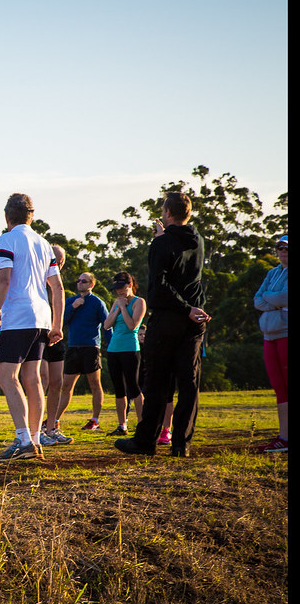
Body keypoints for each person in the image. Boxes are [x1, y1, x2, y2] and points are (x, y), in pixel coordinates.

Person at [115, 192, 211, 458]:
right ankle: (182, 443)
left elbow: (160, 287)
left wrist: (159, 242)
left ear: (168, 213)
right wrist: (192, 309)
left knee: (156, 380)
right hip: (194, 319)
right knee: (188, 381)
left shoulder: (161, 243)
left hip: (169, 318)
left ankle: (146, 441)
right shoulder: (198, 240)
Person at [0, 193, 64, 462]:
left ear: (7, 217)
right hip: (42, 317)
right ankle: (33, 438)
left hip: (18, 317)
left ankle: (23, 439)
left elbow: (4, 279)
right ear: (32, 215)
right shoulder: (44, 243)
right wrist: (57, 325)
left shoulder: (6, 240)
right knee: (32, 379)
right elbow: (58, 288)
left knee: (6, 377)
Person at [55, 272, 110, 432]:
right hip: (73, 348)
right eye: (78, 280)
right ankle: (55, 420)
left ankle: (95, 420)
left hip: (91, 348)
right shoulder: (71, 301)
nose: (80, 283)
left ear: (91, 284)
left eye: (84, 281)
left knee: (95, 384)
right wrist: (73, 307)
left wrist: (111, 345)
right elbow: (60, 322)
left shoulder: (97, 303)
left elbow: (107, 325)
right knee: (66, 386)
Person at [254, 234, 288, 453]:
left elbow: (284, 297)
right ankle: (283, 436)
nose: (283, 251)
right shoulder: (272, 273)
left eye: (287, 248)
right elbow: (258, 300)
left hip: (286, 333)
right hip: (269, 335)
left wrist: (271, 297)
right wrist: (274, 299)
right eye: (280, 248)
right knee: (279, 387)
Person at [102, 272, 146, 436]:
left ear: (129, 285)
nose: (119, 291)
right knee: (119, 390)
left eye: (121, 287)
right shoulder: (116, 302)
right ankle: (122, 425)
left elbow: (132, 326)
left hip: (130, 349)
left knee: (133, 388)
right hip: (114, 349)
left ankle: (142, 424)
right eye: (116, 289)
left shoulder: (139, 302)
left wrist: (122, 307)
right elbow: (107, 325)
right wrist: (117, 307)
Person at [40, 245, 72, 445]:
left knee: (56, 383)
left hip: (56, 335)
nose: (57, 264)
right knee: (40, 381)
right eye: (54, 259)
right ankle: (35, 430)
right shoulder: (37, 282)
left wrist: (56, 329)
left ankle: (51, 427)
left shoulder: (60, 287)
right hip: (38, 333)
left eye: (60, 261)